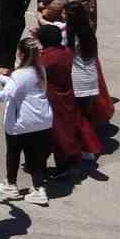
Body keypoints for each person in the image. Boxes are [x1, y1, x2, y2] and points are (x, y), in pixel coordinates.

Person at [0, 38, 53, 207]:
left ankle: (11, 184)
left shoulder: (20, 74)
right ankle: (39, 189)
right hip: (42, 120)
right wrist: (3, 77)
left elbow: (6, 94)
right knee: (35, 156)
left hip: (22, 122)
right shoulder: (40, 70)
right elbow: (19, 86)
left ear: (21, 53)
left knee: (13, 152)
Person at [37, 24, 99, 175]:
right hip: (67, 95)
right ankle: (68, 161)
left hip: (51, 99)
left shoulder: (45, 59)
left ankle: (54, 166)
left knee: (53, 135)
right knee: (67, 130)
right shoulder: (67, 53)